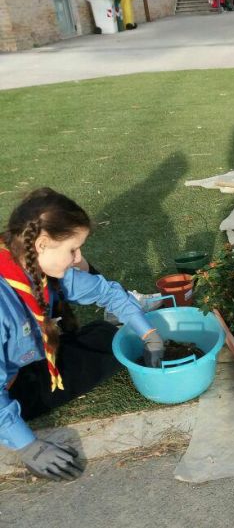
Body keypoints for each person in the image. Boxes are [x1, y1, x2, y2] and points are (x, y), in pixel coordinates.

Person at [1, 188, 164, 481]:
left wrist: (148, 333)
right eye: (73, 249)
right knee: (102, 353)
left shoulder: (34, 264)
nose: (79, 259)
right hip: (8, 385)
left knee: (109, 340)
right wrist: (29, 447)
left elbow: (106, 292)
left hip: (22, 365)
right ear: (42, 243)